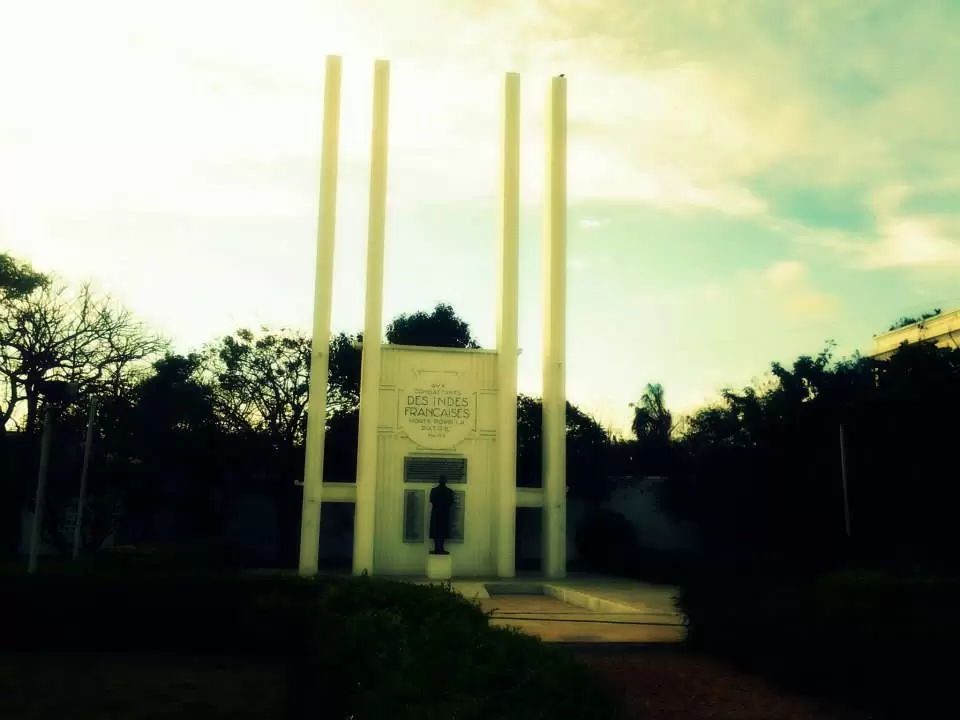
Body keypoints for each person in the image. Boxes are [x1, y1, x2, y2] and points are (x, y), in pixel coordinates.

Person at [428, 475, 455, 554]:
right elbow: (451, 502)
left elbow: (432, 500)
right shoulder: (449, 491)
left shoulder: (434, 490)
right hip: (444, 514)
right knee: (442, 531)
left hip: (436, 513)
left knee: (437, 531)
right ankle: (440, 548)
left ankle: (438, 548)